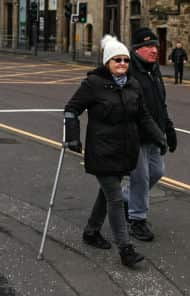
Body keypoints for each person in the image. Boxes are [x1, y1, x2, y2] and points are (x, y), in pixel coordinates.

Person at [64, 35, 167, 267]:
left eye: (125, 60)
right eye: (117, 60)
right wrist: (72, 137)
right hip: (101, 150)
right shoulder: (93, 84)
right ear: (107, 62)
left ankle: (91, 232)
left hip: (124, 150)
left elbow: (143, 116)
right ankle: (125, 249)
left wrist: (159, 137)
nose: (122, 63)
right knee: (116, 198)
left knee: (106, 194)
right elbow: (71, 110)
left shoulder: (132, 84)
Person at [125, 26, 178, 242]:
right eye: (148, 46)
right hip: (134, 134)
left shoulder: (154, 70)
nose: (154, 50)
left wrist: (168, 127)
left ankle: (124, 199)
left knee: (157, 172)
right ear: (137, 49)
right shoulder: (128, 70)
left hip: (154, 133)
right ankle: (137, 220)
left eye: (155, 45)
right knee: (140, 177)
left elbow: (160, 103)